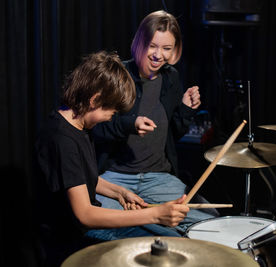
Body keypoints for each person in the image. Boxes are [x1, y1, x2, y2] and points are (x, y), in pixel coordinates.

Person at [34, 51, 189, 266]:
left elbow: (82, 179)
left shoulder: (78, 124)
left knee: (172, 239)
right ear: (95, 99)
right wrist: (156, 215)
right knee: (166, 248)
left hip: (83, 229)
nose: (114, 115)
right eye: (113, 109)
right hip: (72, 239)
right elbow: (85, 215)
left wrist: (120, 192)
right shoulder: (62, 140)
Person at [90, 10, 217, 239]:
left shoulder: (171, 78)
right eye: (152, 46)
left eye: (166, 48)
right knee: (100, 226)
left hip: (158, 177)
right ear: (140, 43)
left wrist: (186, 109)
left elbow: (173, 134)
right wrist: (130, 124)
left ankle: (159, 231)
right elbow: (96, 129)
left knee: (208, 224)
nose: (159, 55)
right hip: (116, 177)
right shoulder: (119, 75)